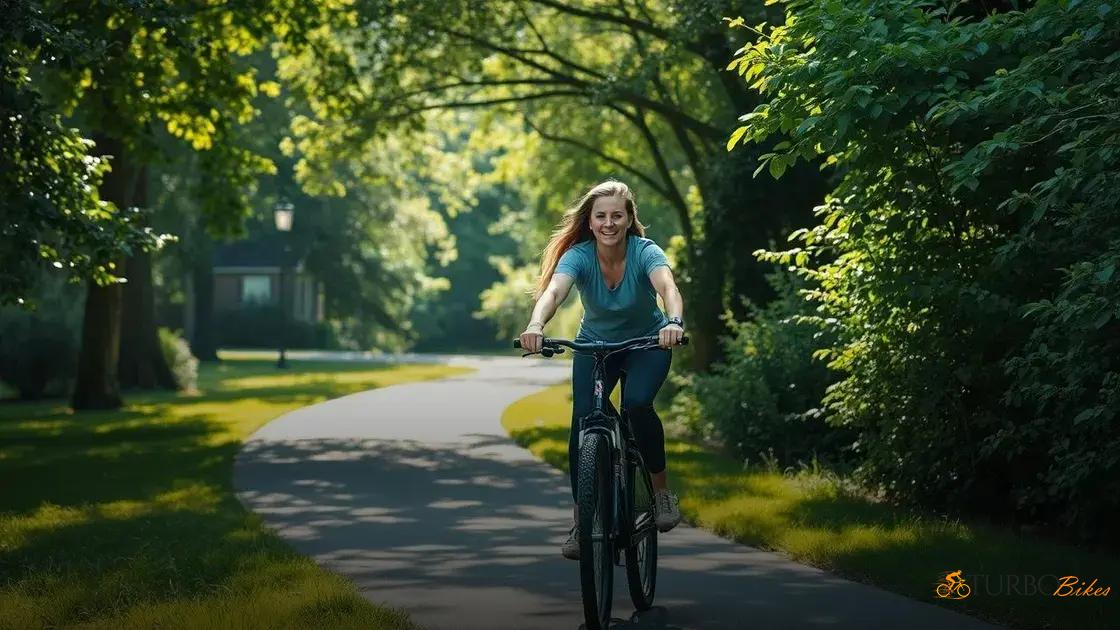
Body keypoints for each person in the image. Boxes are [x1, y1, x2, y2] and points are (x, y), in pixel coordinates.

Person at [519, 180, 686, 560]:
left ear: (629, 220)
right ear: (590, 222)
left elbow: (668, 287)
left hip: (648, 343)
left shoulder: (646, 252)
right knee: (583, 420)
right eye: (601, 216)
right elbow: (554, 293)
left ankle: (661, 495)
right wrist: (535, 326)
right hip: (596, 346)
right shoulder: (578, 256)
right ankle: (581, 523)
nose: (609, 223)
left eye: (617, 215)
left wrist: (674, 321)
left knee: (638, 404)